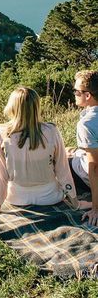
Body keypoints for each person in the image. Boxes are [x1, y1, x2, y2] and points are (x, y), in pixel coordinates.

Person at [0, 86, 77, 221]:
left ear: (12, 107)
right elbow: (62, 170)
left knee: (1, 165)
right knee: (68, 157)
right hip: (50, 197)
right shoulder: (51, 130)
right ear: (36, 107)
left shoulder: (1, 131)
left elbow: (1, 174)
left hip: (16, 198)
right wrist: (75, 201)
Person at [68, 70, 98, 226]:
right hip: (86, 157)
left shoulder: (87, 124)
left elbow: (94, 168)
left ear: (88, 96)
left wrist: (95, 207)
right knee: (68, 150)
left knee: (49, 160)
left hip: (85, 173)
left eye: (76, 91)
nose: (74, 94)